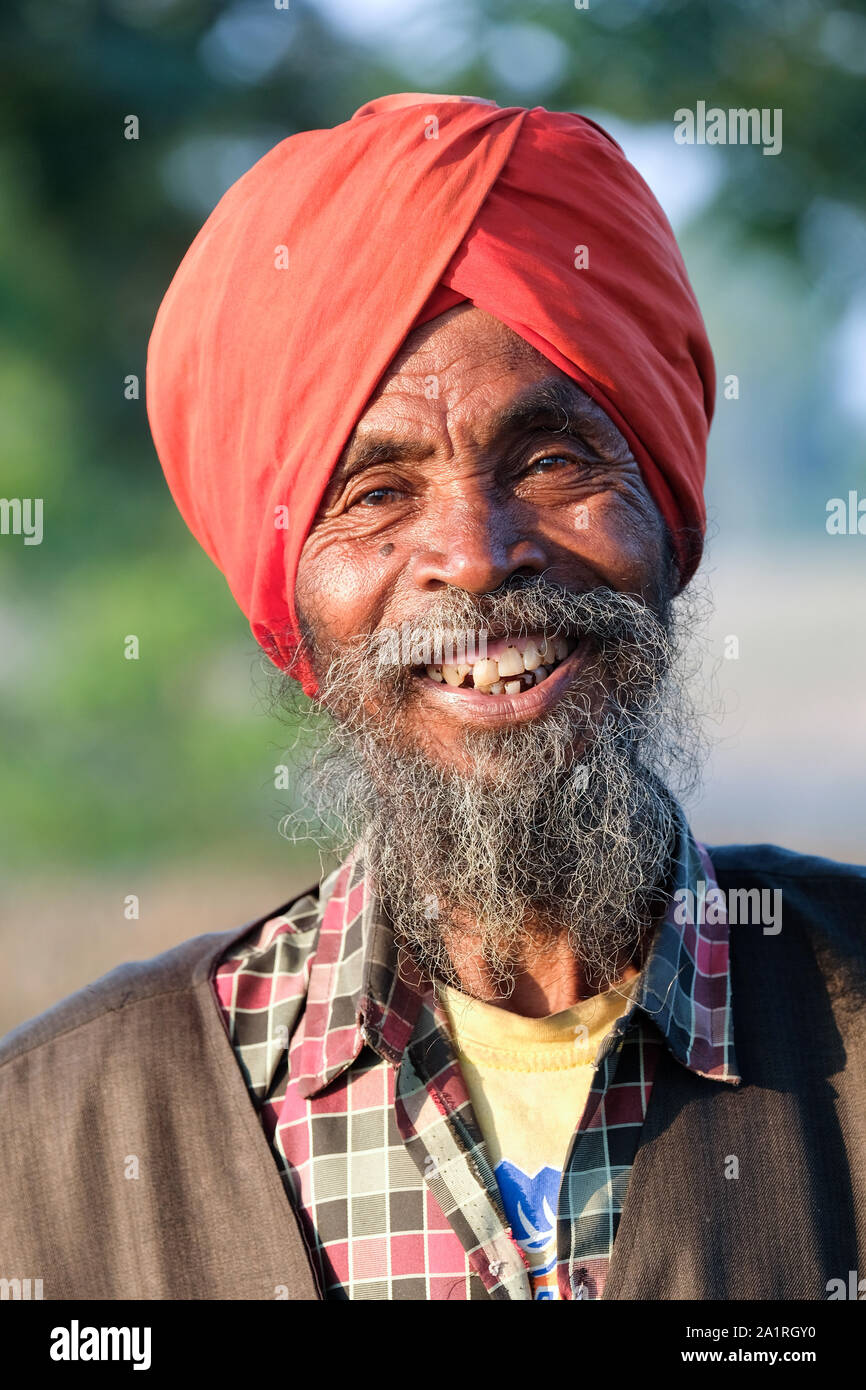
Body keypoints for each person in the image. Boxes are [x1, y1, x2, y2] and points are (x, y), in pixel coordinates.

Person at [2, 93, 864, 1302]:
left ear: (664, 510)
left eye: (553, 459)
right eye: (372, 493)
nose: (474, 551)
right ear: (287, 602)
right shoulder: (51, 1151)